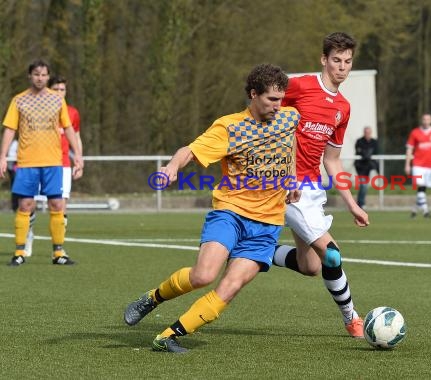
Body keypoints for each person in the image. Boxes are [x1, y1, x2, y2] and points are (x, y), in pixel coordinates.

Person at [123, 63, 301, 353]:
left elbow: (289, 145)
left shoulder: (289, 117)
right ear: (253, 95)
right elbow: (190, 151)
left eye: (281, 99)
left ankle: (168, 336)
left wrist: (291, 178)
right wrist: (171, 167)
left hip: (268, 224)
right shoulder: (230, 127)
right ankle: (152, 298)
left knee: (229, 288)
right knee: (203, 276)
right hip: (231, 213)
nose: (279, 106)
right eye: (271, 99)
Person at [271, 32, 369, 338]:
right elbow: (261, 105)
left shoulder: (343, 107)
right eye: (336, 60)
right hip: (286, 185)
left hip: (313, 188)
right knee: (332, 254)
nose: (342, 67)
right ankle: (352, 318)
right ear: (323, 59)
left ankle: (254, 250)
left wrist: (352, 204)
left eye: (348, 61)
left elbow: (333, 161)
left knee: (310, 265)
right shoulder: (299, 85)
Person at [0, 59, 83, 266]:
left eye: (44, 75)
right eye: (36, 74)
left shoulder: (57, 100)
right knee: (25, 204)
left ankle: (58, 253)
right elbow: (10, 129)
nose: (40, 78)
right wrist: (2, 156)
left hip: (53, 162)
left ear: (48, 76)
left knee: (57, 204)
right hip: (27, 162)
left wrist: (78, 154)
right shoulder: (19, 100)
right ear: (30, 76)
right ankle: (19, 252)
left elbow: (69, 128)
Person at [24, 75, 83, 257]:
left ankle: (58, 248)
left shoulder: (72, 113)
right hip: (38, 162)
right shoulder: (38, 110)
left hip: (63, 164)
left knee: (60, 207)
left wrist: (79, 159)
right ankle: (28, 237)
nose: (59, 93)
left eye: (62, 90)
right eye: (55, 89)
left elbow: (76, 137)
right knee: (30, 204)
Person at [404, 113, 431, 218]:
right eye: (424, 119)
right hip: (417, 165)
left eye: (428, 119)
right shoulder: (415, 132)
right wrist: (407, 164)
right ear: (422, 120)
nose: (426, 121)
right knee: (421, 187)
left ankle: (414, 210)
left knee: (423, 189)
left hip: (429, 165)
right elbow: (409, 149)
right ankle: (426, 211)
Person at [354, 126, 379, 208]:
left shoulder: (374, 142)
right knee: (363, 185)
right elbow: (359, 151)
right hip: (360, 167)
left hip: (368, 166)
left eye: (369, 132)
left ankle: (359, 203)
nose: (367, 134)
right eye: (366, 132)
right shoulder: (359, 141)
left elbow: (376, 153)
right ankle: (361, 203)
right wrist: (366, 155)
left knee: (364, 185)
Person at [6, 140, 18, 212]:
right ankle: (15, 206)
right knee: (15, 187)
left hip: (19, 167)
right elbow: (11, 154)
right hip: (14, 167)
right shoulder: (14, 143)